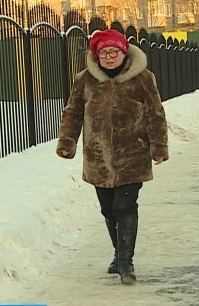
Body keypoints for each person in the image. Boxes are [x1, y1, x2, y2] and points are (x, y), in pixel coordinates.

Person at [56, 29, 169, 284]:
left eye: (114, 52)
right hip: (99, 158)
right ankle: (119, 253)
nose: (109, 57)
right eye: (104, 53)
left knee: (124, 206)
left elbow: (155, 113)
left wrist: (159, 147)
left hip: (133, 154)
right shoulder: (84, 80)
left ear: (123, 52)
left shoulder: (143, 78)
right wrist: (67, 142)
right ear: (97, 56)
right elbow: (73, 112)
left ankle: (126, 263)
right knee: (108, 208)